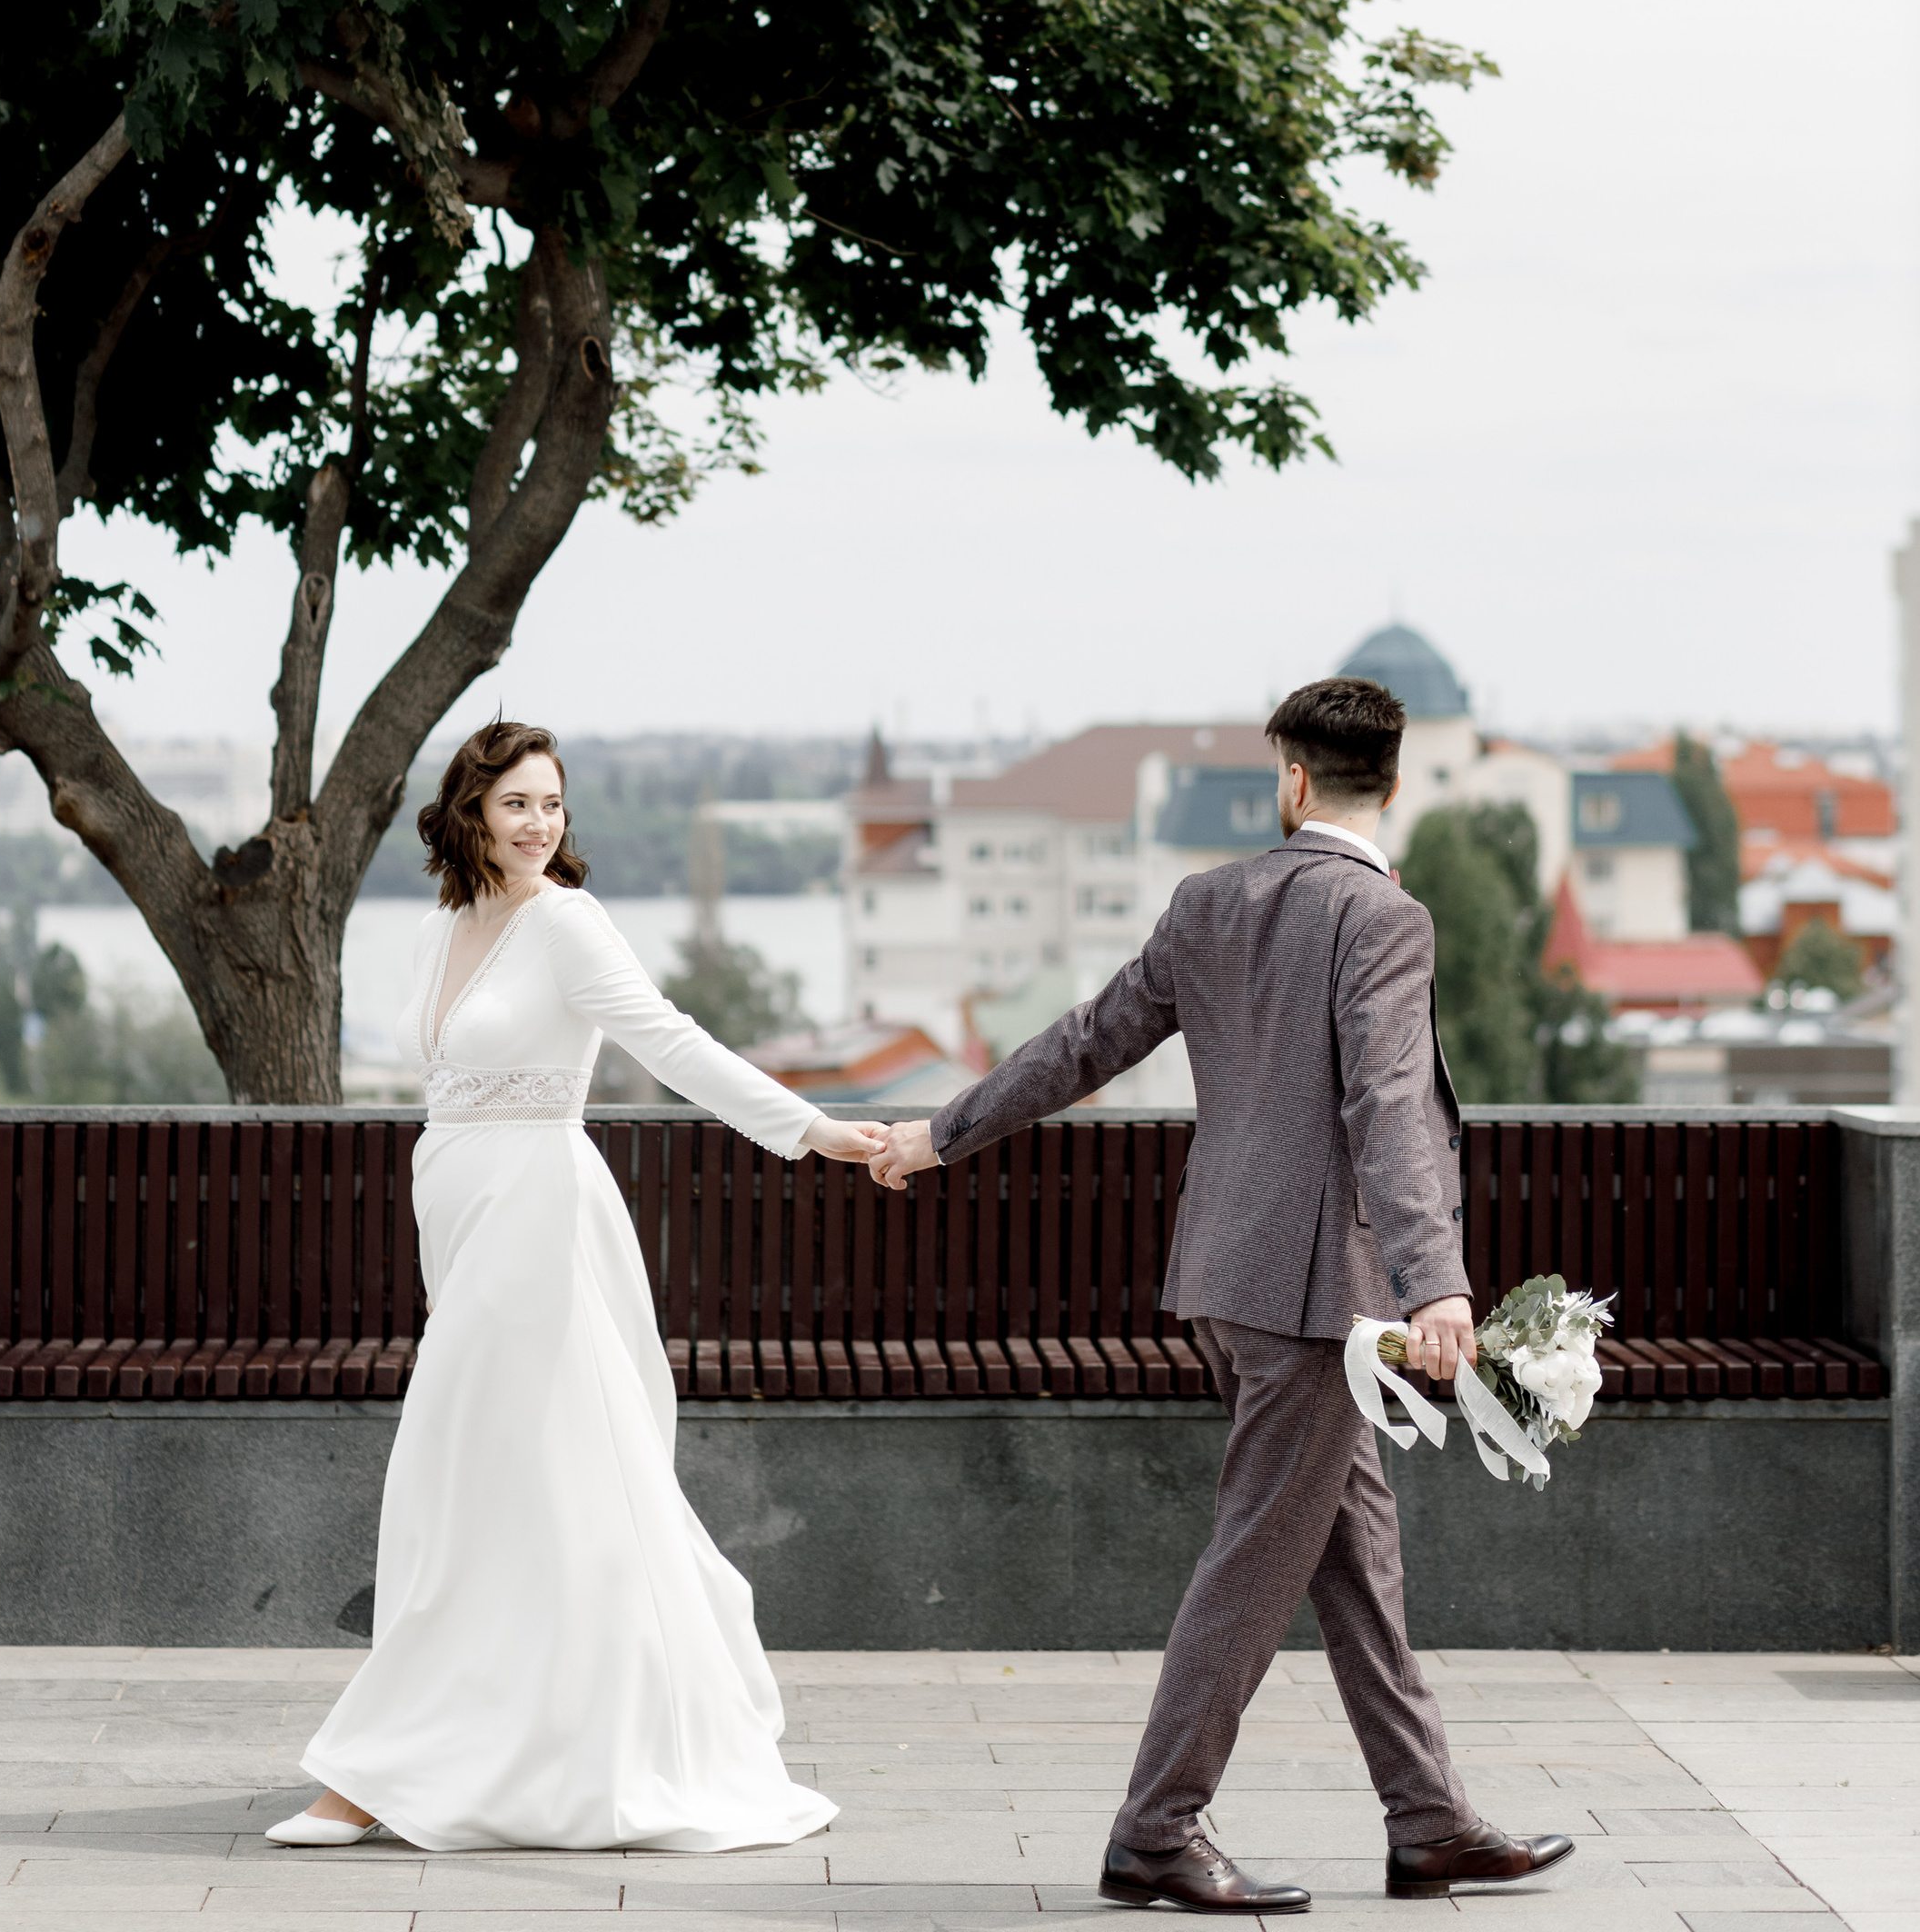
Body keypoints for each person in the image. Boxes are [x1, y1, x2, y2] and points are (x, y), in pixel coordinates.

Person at [869, 674, 1577, 1914]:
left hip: (1231, 1279)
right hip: (1317, 1300)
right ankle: (1156, 1831)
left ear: (1291, 779)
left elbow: (1085, 1041)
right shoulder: (1382, 916)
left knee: (1355, 1558)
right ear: (1391, 785)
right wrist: (1437, 1285)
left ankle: (1429, 1823)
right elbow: (1385, 1105)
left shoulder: (1210, 900)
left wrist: (941, 1133)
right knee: (1255, 1561)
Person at [268, 717, 886, 1855]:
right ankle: (492, 1743)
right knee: (503, 1484)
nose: (539, 824)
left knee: (472, 1478)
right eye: (517, 803)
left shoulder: (566, 921)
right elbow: (446, 1092)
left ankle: (374, 1771)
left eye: (552, 804)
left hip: (540, 1215)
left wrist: (810, 1131)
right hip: (460, 1209)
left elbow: (671, 1042)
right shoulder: (442, 927)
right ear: (469, 811)